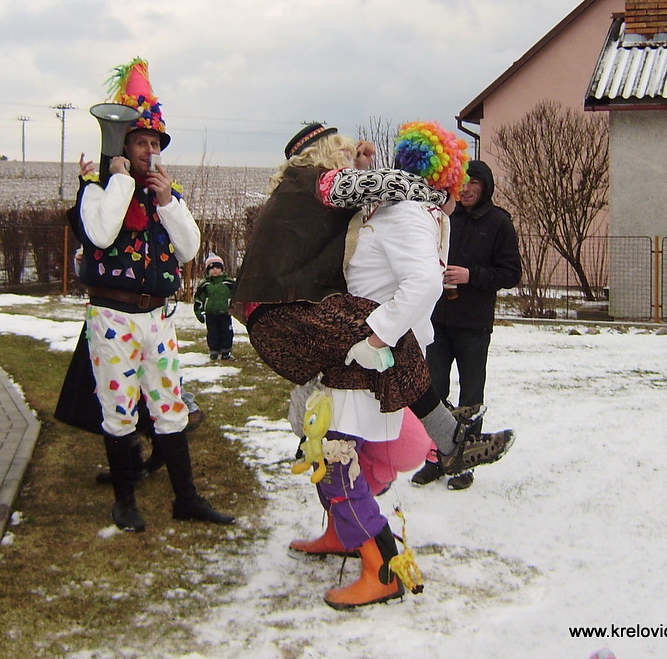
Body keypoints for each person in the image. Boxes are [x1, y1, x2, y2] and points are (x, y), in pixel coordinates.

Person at [234, 123, 513, 481]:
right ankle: (449, 438)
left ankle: (436, 429)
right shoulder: (320, 180)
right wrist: (437, 194)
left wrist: (364, 169)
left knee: (359, 356)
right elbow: (391, 184)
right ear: (328, 153)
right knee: (385, 332)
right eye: (345, 150)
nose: (351, 157)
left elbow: (363, 194)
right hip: (284, 312)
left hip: (274, 314)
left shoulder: (297, 190)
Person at [282, 121, 469, 608]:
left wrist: (376, 337)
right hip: (350, 349)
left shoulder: (406, 213)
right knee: (325, 448)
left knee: (337, 458)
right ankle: (341, 533)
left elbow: (423, 283)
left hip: (367, 359)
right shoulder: (396, 205)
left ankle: (381, 570)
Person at [69, 58, 233, 532]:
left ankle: (187, 499)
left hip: (157, 318)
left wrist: (167, 203)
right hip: (112, 317)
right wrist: (120, 179)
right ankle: (125, 501)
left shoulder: (166, 194)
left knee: (169, 406)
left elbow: (190, 249)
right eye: (141, 142)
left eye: (155, 143)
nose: (150, 151)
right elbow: (101, 234)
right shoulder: (97, 189)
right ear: (123, 145)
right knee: (119, 409)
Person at [411, 159, 521, 490]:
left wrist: (471, 276)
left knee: (470, 396)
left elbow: (511, 274)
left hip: (474, 325)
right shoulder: (445, 217)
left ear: (485, 187)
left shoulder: (499, 222)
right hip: (438, 322)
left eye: (474, 183)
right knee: (434, 392)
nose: (467, 189)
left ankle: (465, 463)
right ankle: (436, 458)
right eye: (462, 183)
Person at [194, 253, 236, 360]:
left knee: (226, 332)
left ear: (222, 269)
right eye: (212, 268)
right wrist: (199, 312)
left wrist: (233, 306)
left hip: (225, 313)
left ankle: (226, 351)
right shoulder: (205, 285)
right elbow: (199, 299)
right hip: (210, 314)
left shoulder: (229, 283)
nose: (215, 270)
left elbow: (237, 295)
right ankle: (214, 350)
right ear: (208, 271)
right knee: (213, 333)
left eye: (217, 268)